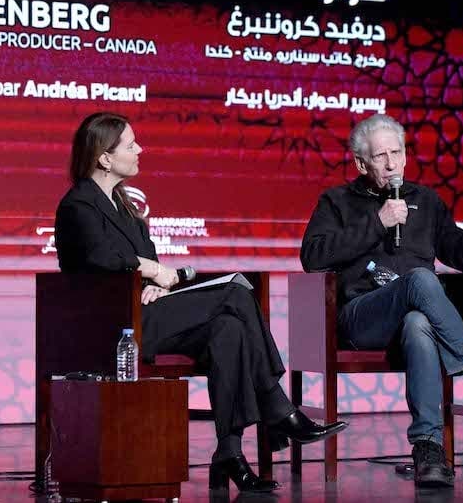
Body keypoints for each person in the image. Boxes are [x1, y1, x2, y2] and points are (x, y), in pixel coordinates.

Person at [54, 112, 347, 493]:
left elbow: (155, 270)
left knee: (228, 330)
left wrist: (159, 284)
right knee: (236, 293)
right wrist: (147, 270)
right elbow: (98, 259)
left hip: (148, 314)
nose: (140, 149)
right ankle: (277, 408)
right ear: (105, 158)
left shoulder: (129, 212)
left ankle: (229, 452)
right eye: (130, 144)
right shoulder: (78, 206)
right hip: (114, 328)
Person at [300, 114, 463, 488]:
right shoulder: (337, 201)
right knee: (422, 279)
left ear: (407, 156)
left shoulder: (426, 201)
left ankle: (428, 451)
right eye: (380, 156)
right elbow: (311, 257)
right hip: (363, 318)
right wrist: (377, 222)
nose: (392, 163)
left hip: (414, 322)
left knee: (419, 322)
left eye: (397, 152)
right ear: (361, 163)